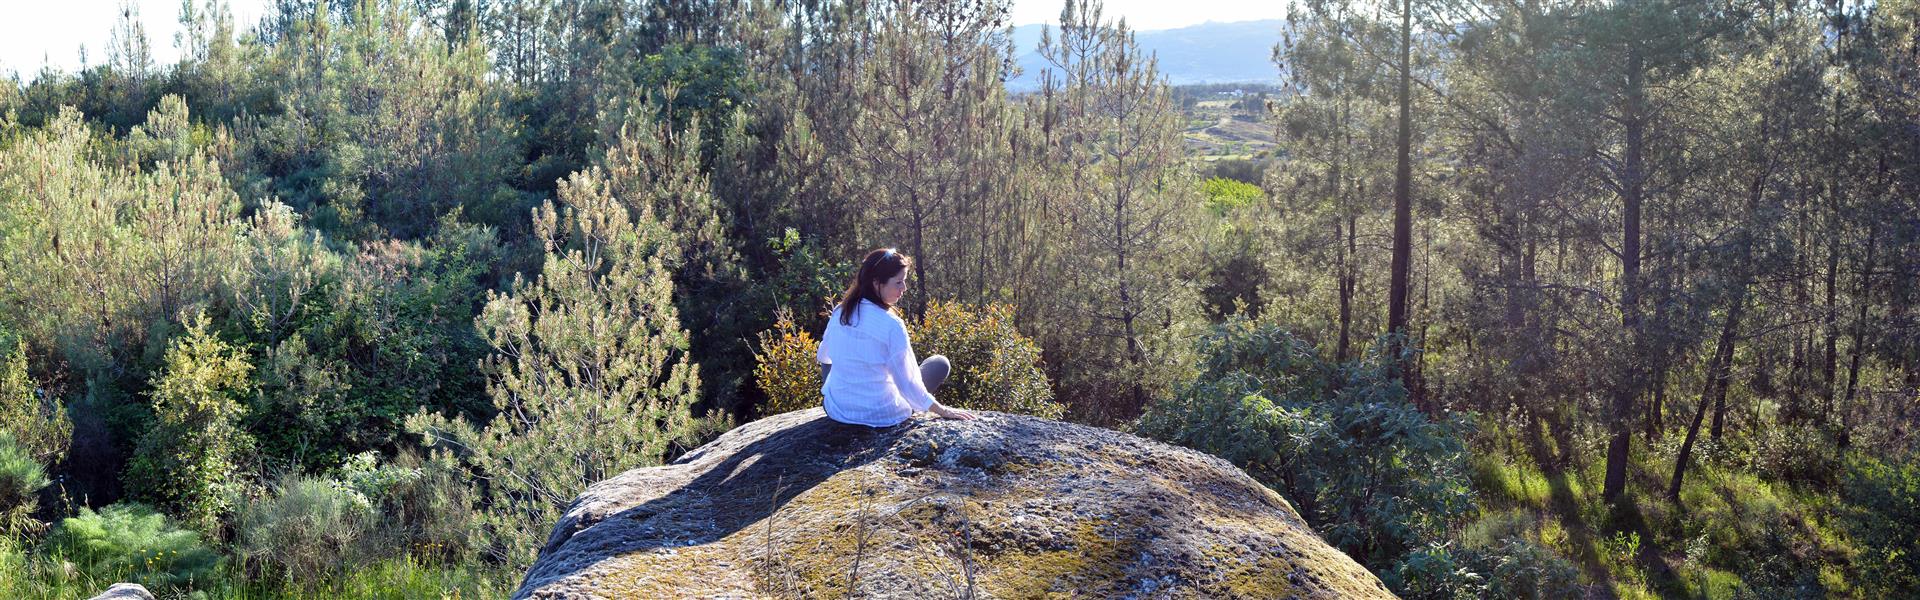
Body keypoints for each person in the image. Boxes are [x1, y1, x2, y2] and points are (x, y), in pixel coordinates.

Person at [816, 248, 977, 426]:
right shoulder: (892, 325)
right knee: (939, 363)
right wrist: (943, 411)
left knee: (827, 357)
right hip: (883, 415)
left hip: (839, 410)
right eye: (899, 282)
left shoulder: (841, 310)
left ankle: (848, 394)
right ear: (877, 283)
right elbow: (908, 385)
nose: (904, 288)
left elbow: (823, 356)